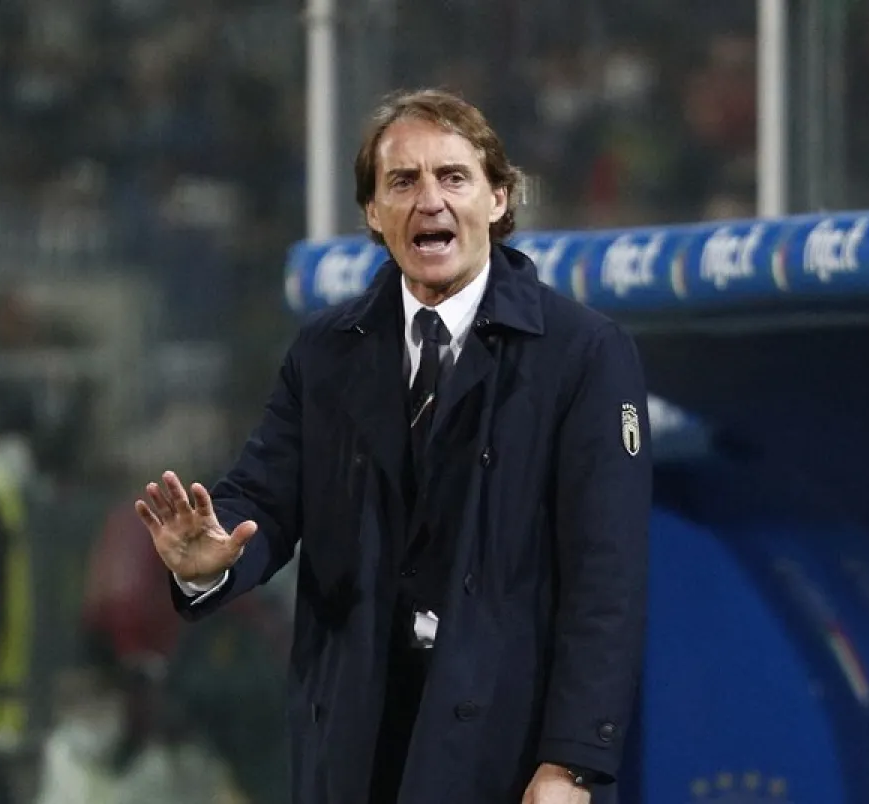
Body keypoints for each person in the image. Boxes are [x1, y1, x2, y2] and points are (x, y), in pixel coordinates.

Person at [135, 88, 652, 804]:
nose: (429, 200)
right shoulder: (326, 353)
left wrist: (571, 763)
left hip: (508, 755)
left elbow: (608, 581)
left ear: (499, 200)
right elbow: (261, 500)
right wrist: (209, 564)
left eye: (454, 177)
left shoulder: (584, 355)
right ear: (373, 214)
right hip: (355, 744)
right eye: (403, 182)